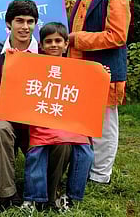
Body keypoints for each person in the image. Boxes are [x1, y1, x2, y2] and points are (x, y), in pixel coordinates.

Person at [0, 0, 71, 209]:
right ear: (8, 23)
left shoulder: (46, 51)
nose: (25, 27)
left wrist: (99, 76)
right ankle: (7, 193)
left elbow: (69, 81)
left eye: (30, 21)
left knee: (64, 141)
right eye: (19, 21)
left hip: (39, 119)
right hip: (9, 117)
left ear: (36, 24)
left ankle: (49, 195)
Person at [68, 0, 131, 184]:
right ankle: (85, 168)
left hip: (104, 71)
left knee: (104, 125)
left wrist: (76, 39)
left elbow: (117, 36)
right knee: (83, 121)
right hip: (80, 69)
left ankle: (101, 175)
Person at [21, 23, 94, 212]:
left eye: (58, 41)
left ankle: (70, 197)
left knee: (86, 153)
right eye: (48, 41)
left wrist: (102, 76)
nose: (54, 45)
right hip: (43, 121)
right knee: (36, 153)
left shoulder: (78, 68)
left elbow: (87, 92)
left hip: (70, 122)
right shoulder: (34, 65)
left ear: (66, 44)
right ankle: (33, 199)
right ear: (42, 46)